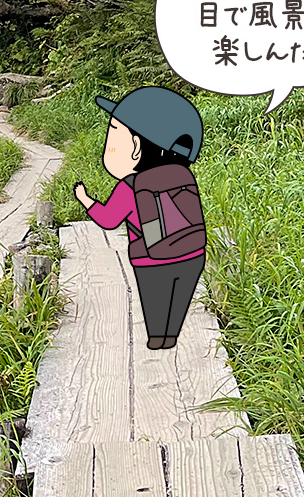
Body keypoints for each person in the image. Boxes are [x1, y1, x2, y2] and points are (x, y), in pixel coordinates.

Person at [73, 86, 207, 350]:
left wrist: (86, 200)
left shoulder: (130, 186)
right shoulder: (184, 176)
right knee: (178, 299)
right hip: (193, 254)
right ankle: (172, 335)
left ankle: (159, 338)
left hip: (150, 258)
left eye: (113, 134)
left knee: (156, 300)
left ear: (135, 147)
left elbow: (109, 220)